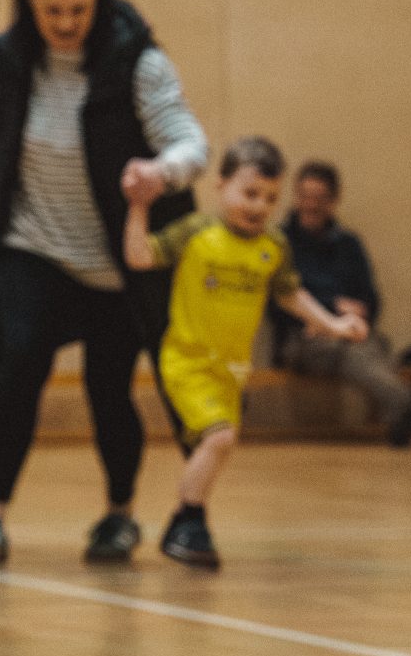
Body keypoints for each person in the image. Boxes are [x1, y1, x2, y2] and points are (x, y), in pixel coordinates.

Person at [0, 0, 208, 565]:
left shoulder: (137, 61)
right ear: (28, 6)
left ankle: (119, 512)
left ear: (99, 3)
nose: (67, 25)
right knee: (16, 374)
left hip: (116, 266)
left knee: (110, 389)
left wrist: (163, 172)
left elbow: (189, 141)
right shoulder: (4, 64)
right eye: (52, 13)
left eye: (79, 11)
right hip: (31, 249)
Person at [126, 138, 367, 569]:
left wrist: (332, 324)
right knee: (220, 438)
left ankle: (188, 522)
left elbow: (290, 295)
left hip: (230, 371)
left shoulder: (273, 246)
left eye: (271, 198)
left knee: (219, 445)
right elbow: (141, 257)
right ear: (221, 186)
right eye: (250, 193)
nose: (259, 206)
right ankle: (188, 520)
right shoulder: (196, 232)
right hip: (185, 361)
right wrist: (139, 208)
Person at [274, 160, 411, 446]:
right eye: (305, 196)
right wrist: (327, 317)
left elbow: (371, 301)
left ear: (334, 200)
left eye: (320, 198)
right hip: (301, 338)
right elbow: (278, 301)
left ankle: (399, 407)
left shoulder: (348, 244)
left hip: (352, 334)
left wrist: (353, 315)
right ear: (296, 196)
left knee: (365, 344)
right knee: (347, 347)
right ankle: (402, 402)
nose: (311, 205)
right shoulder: (279, 243)